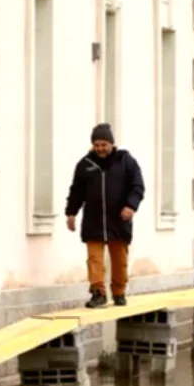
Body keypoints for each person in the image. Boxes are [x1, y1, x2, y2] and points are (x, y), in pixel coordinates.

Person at [65, 123, 145, 309]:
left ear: (111, 144)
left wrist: (131, 206)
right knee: (94, 259)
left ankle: (119, 292)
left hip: (119, 220)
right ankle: (98, 293)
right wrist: (71, 213)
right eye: (97, 144)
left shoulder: (125, 161)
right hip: (93, 220)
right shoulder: (85, 165)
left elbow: (138, 186)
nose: (100, 148)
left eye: (104, 144)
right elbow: (76, 191)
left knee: (119, 260)